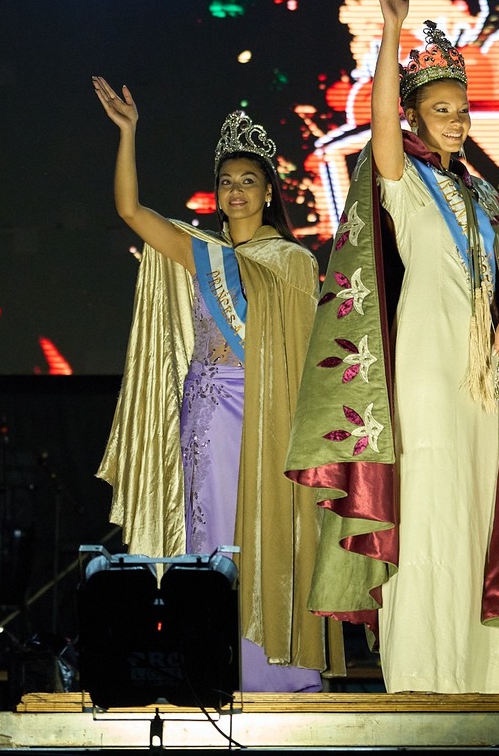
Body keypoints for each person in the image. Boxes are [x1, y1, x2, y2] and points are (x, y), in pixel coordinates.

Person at [284, 0, 499, 693]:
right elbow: (379, 128)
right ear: (416, 116)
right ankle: (424, 674)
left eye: (460, 107)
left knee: (483, 507)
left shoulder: (482, 195)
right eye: (438, 108)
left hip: (481, 374)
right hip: (423, 366)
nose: (453, 118)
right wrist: (389, 30)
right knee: (433, 508)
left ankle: (494, 674)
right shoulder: (406, 185)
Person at [93, 86, 330, 690]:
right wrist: (128, 132)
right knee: (210, 540)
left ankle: (275, 674)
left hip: (264, 413)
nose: (236, 190)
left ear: (269, 191)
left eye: (248, 180)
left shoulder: (294, 262)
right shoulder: (202, 253)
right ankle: (214, 669)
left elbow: (302, 358)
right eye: (226, 181)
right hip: (202, 413)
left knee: (265, 535)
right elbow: (130, 210)